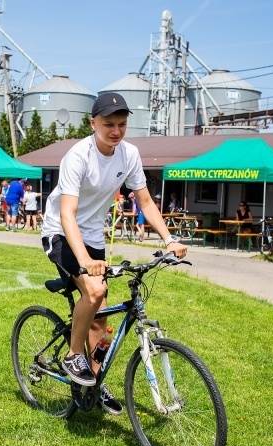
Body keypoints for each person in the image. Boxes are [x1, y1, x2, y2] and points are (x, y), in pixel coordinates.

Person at [40, 92, 187, 416]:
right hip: (61, 232)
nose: (116, 131)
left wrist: (169, 239)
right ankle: (73, 355)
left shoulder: (129, 154)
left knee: (101, 316)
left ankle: (94, 381)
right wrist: (85, 262)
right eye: (109, 124)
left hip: (93, 235)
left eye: (121, 124)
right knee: (94, 291)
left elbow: (145, 201)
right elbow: (67, 214)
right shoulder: (78, 156)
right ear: (93, 123)